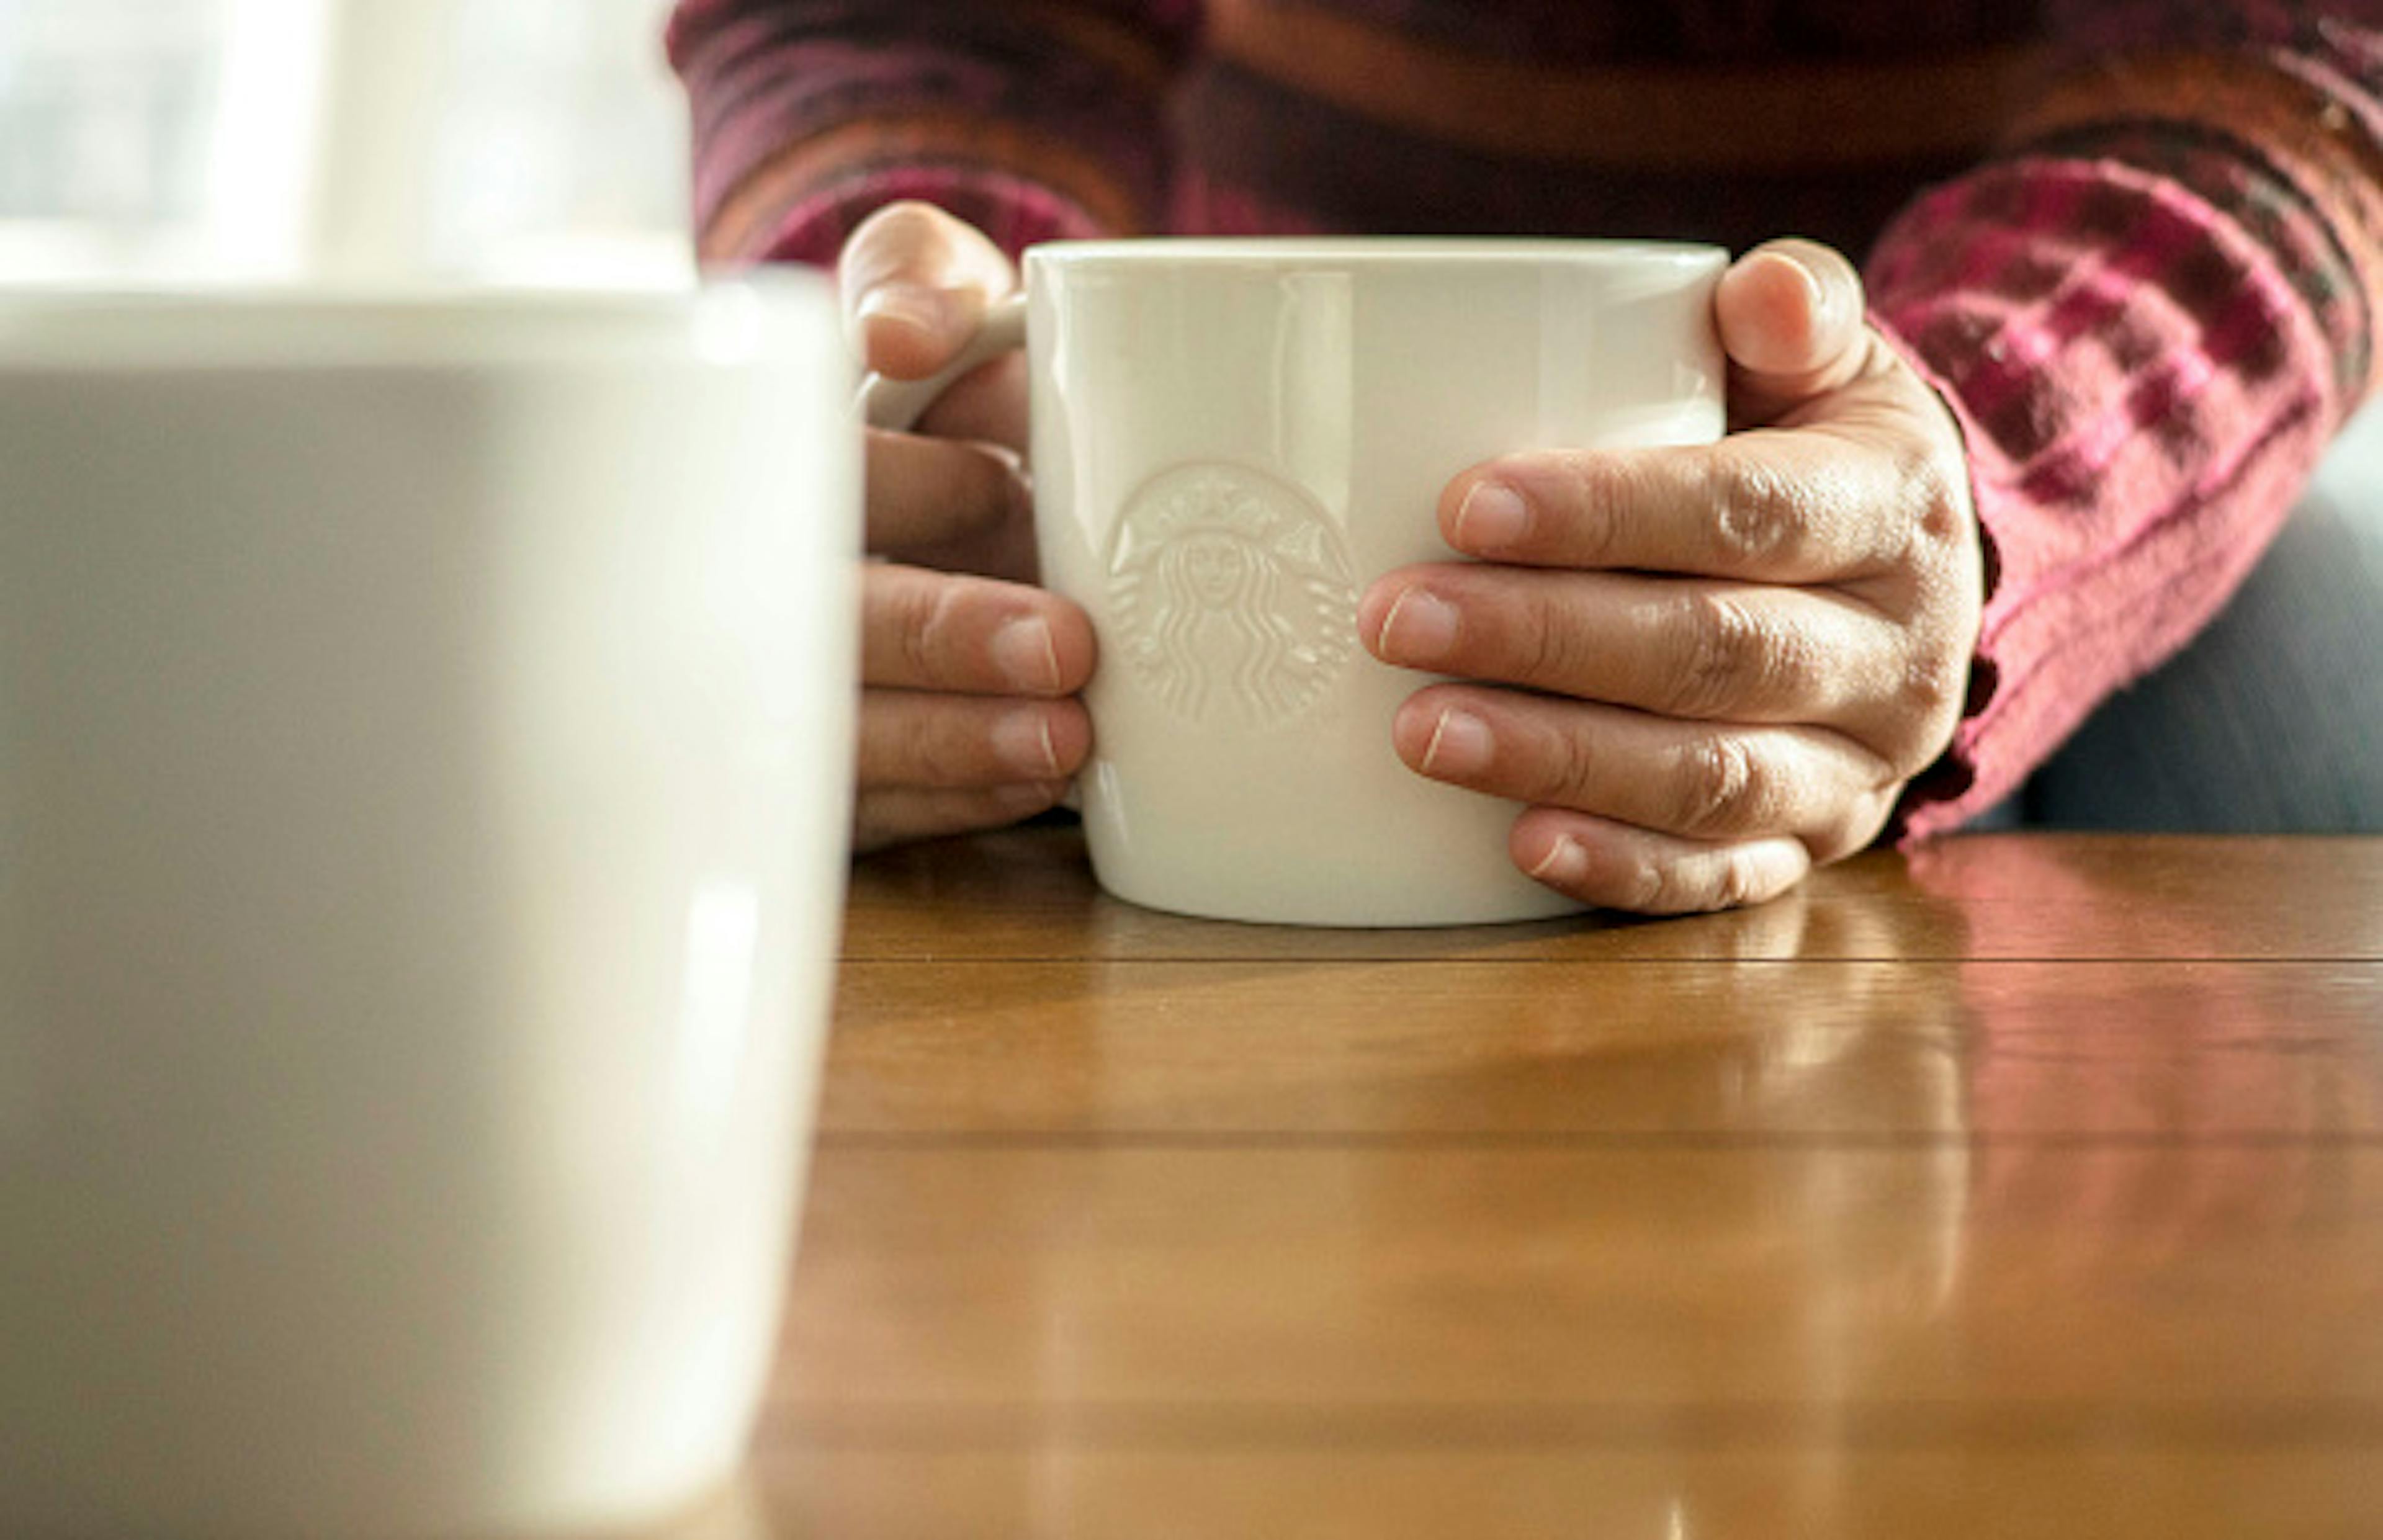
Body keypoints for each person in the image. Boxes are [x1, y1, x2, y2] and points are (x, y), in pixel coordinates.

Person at [667, 1, 2383, 913]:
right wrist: (925, 358)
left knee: (2321, 679)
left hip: (2030, 430)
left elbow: (2303, 60)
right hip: (1175, 407)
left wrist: (1990, 468)